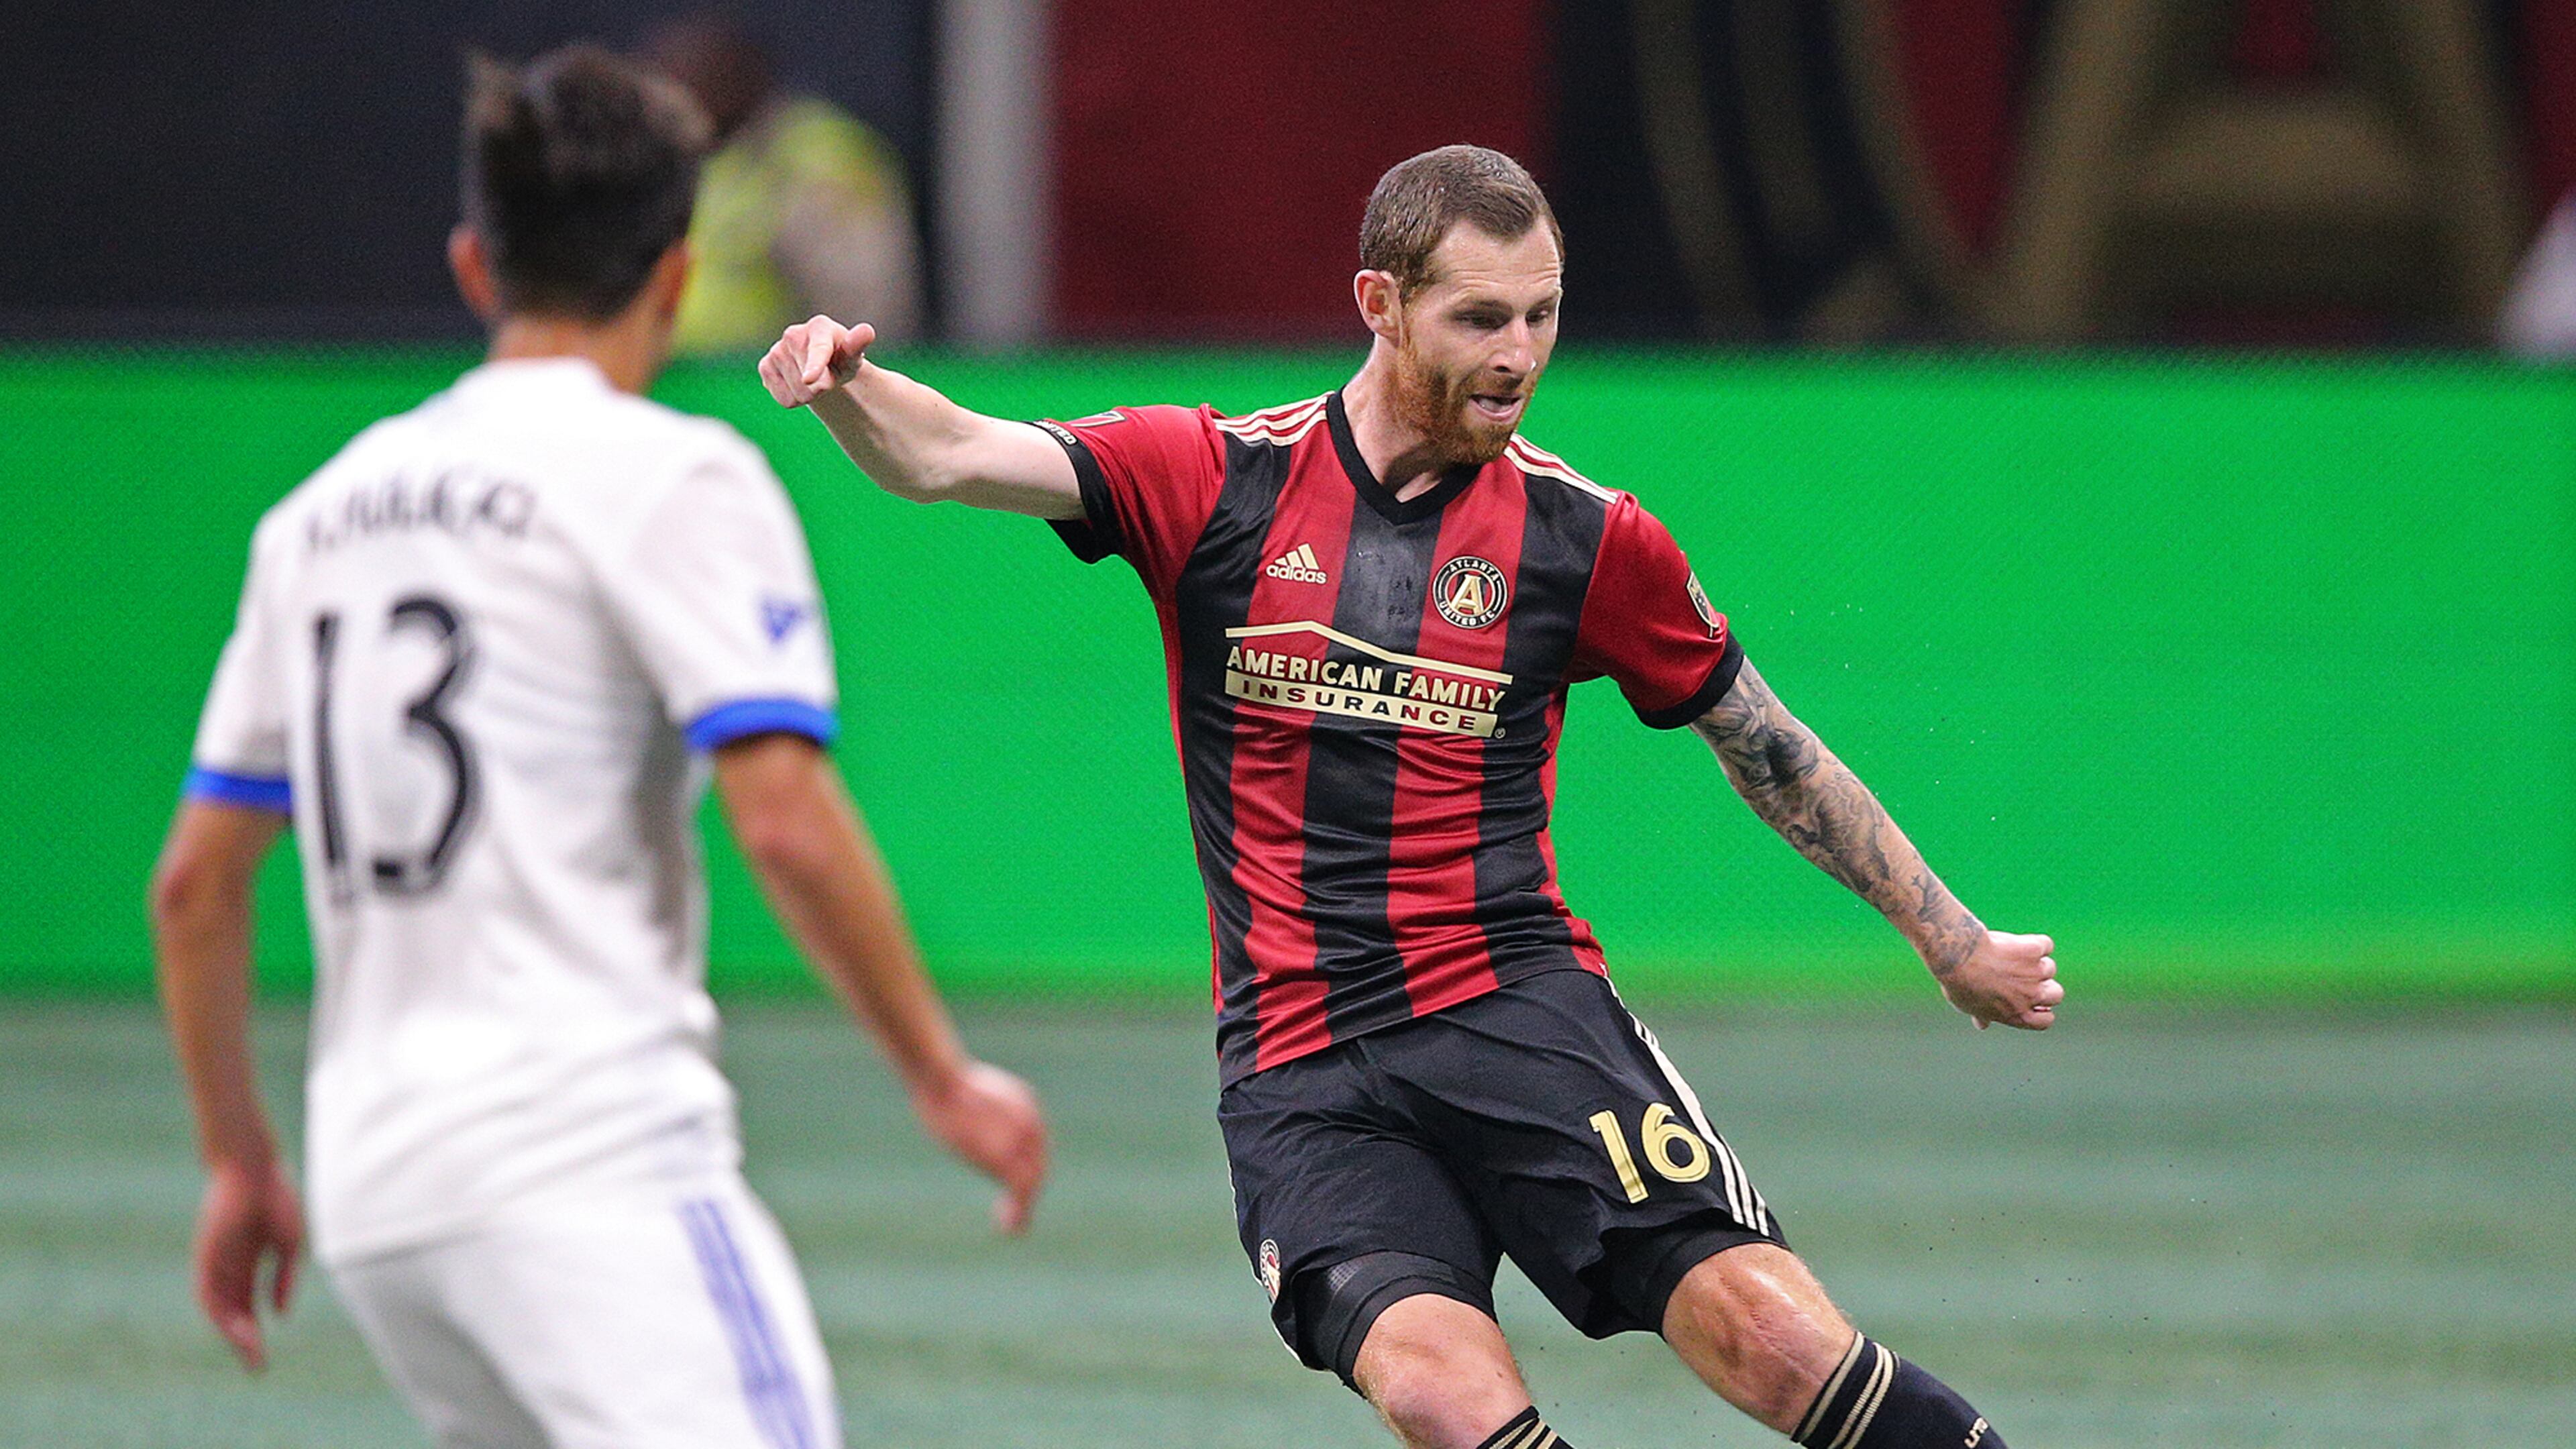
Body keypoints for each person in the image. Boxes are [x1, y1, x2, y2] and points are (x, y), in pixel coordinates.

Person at [759, 144, 2060, 1449]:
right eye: (1480, 317)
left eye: (1542, 315)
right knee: (1442, 1394)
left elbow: (1765, 742)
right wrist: (849, 388)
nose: (1519, 352)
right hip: (1299, 1067)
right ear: (1379, 305)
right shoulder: (1217, 479)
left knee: (1771, 1338)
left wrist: (1952, 940)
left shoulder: (1587, 538)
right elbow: (954, 457)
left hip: (1514, 1011)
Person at [150, 46, 1046, 1449]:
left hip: (379, 1197)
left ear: (472, 266)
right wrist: (941, 1074)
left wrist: (237, 1159)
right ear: (678, 275)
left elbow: (194, 888)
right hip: (585, 1163)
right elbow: (786, 823)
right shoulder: (673, 475)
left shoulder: (315, 518)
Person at [645, 17, 923, 356]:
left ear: (741, 80)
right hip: (686, 379)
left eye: (688, 81)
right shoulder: (703, 156)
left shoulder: (818, 157)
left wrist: (835, 374)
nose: (675, 97)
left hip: (776, 387)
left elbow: (865, 310)